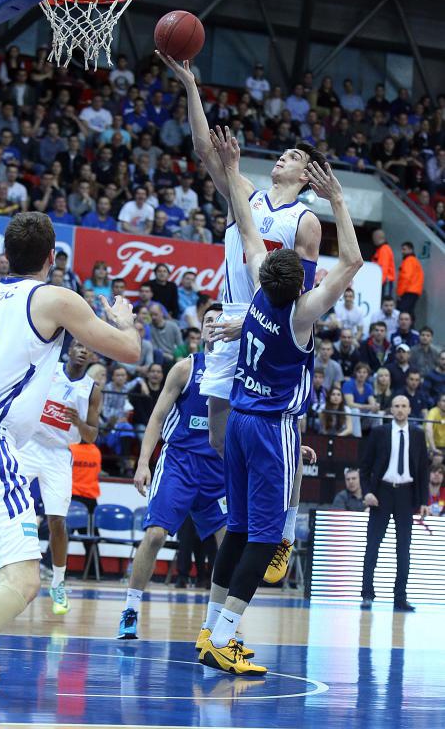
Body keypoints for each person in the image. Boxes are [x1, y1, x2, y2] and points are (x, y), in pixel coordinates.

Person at [0, 212, 140, 722]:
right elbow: (129, 350)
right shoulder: (54, 297)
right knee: (24, 580)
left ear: (5, 256)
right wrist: (123, 318)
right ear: (51, 257)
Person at [196, 126, 361, 675]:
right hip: (272, 428)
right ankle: (223, 637)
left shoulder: (252, 296)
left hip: (239, 421)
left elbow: (246, 226)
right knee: (265, 541)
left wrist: (234, 163)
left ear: (264, 272)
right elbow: (352, 265)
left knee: (237, 530)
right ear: (303, 279)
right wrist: (337, 199)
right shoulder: (301, 316)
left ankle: (207, 631)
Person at [157, 55, 322, 584]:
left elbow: (300, 293)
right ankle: (254, 521)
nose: (284, 156)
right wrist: (191, 86)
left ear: (306, 176)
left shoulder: (306, 220)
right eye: (283, 151)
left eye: (294, 155)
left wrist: (252, 323)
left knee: (278, 430)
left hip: (273, 327)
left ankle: (282, 529)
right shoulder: (245, 199)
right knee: (220, 438)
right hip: (229, 320)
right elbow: (206, 149)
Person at [117, 304, 229, 640]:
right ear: (200, 330)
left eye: (219, 321)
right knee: (154, 536)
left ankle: (215, 626)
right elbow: (156, 417)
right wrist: (142, 463)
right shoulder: (185, 368)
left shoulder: (239, 372)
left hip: (218, 469)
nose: (212, 325)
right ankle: (131, 610)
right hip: (180, 462)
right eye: (208, 321)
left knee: (230, 548)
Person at [17, 340, 101, 615]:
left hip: (58, 455)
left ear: (92, 356)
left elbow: (91, 437)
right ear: (69, 350)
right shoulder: (48, 369)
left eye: (86, 348)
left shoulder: (92, 390)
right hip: (30, 444)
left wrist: (78, 423)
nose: (82, 349)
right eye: (78, 345)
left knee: (57, 522)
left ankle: (58, 582)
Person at [360, 396, 429, 612]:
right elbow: (364, 466)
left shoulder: (418, 434)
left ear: (410, 409)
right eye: (396, 406)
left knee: (404, 548)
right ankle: (367, 595)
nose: (400, 410)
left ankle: (400, 597)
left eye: (404, 406)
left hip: (406, 495)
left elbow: (424, 470)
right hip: (382, 492)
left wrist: (424, 501)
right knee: (373, 545)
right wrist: (368, 492)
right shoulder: (380, 432)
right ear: (391, 409)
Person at [396, 241, 424, 318]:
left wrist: (400, 293)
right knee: (409, 313)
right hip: (414, 291)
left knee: (403, 313)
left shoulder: (409, 261)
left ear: (410, 249)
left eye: (404, 249)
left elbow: (405, 278)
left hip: (408, 291)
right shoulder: (414, 261)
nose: (402, 251)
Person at [371, 229, 395, 299]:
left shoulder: (384, 249)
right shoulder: (382, 249)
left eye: (373, 237)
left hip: (385, 282)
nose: (373, 240)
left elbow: (383, 268)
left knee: (384, 303)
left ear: (377, 237)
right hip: (384, 281)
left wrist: (379, 284)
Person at [426, 393, 445, 464]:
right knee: (438, 458)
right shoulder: (433, 412)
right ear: (438, 403)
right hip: (432, 445)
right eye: (444, 401)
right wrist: (433, 448)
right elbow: (428, 429)